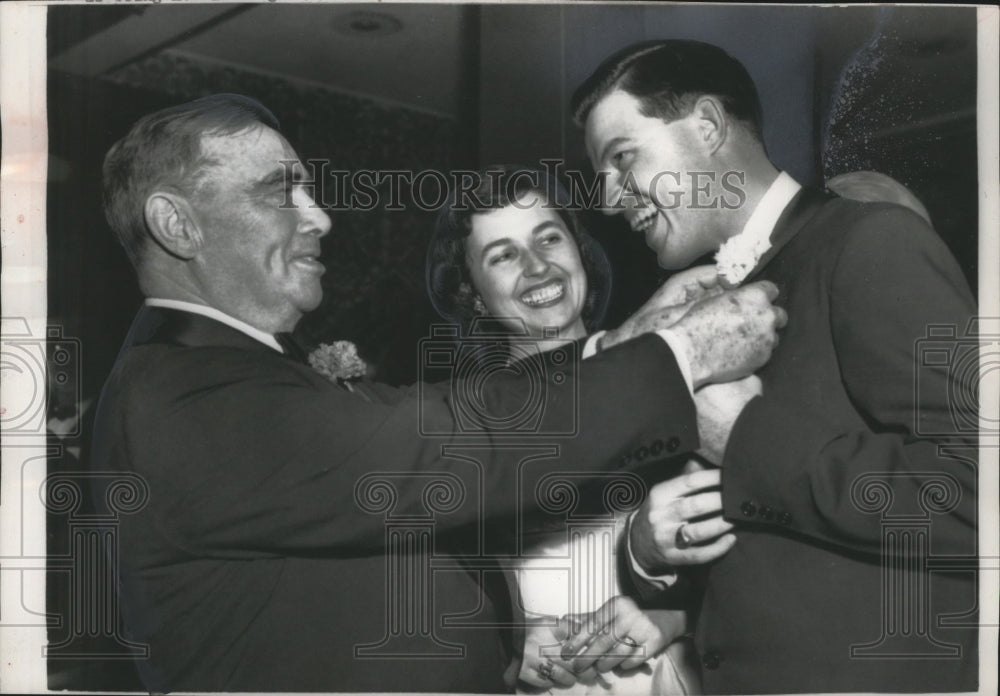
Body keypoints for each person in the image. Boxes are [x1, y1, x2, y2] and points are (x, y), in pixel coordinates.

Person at [91, 93, 786, 693]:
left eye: (550, 237)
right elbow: (450, 443)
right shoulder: (189, 394)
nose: (321, 216)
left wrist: (629, 337)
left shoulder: (235, 372)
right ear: (177, 224)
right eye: (281, 190)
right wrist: (680, 351)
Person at [566, 40, 978, 694]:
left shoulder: (872, 242)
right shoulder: (704, 303)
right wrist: (664, 589)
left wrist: (744, 438)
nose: (612, 199)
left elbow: (978, 496)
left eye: (622, 159)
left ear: (706, 126)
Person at [428, 166, 705, 695]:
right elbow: (431, 585)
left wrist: (673, 615)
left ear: (580, 254)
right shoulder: (461, 424)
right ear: (475, 297)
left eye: (549, 238)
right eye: (503, 255)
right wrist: (506, 637)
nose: (537, 267)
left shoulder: (667, 381)